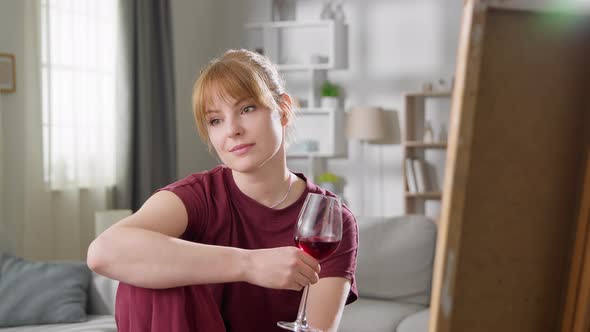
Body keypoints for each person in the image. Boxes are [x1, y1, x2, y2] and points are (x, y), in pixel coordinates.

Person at [87, 49, 358, 332]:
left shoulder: (329, 220)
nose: (232, 130)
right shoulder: (199, 196)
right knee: (145, 274)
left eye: (247, 109)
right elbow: (103, 252)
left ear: (284, 110)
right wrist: (250, 265)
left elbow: (315, 328)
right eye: (216, 120)